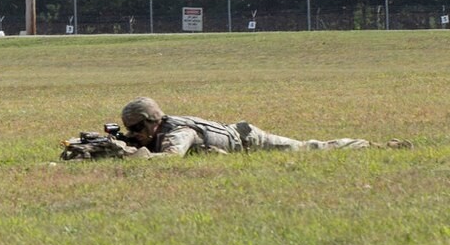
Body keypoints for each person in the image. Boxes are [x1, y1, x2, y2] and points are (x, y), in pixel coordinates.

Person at [116, 96, 383, 156]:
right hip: (234, 138)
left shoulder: (178, 132)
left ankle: (368, 145)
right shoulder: (157, 132)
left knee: (309, 148)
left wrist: (129, 153)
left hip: (247, 140)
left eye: (138, 127)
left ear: (153, 120)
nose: (135, 134)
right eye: (130, 130)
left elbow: (170, 159)